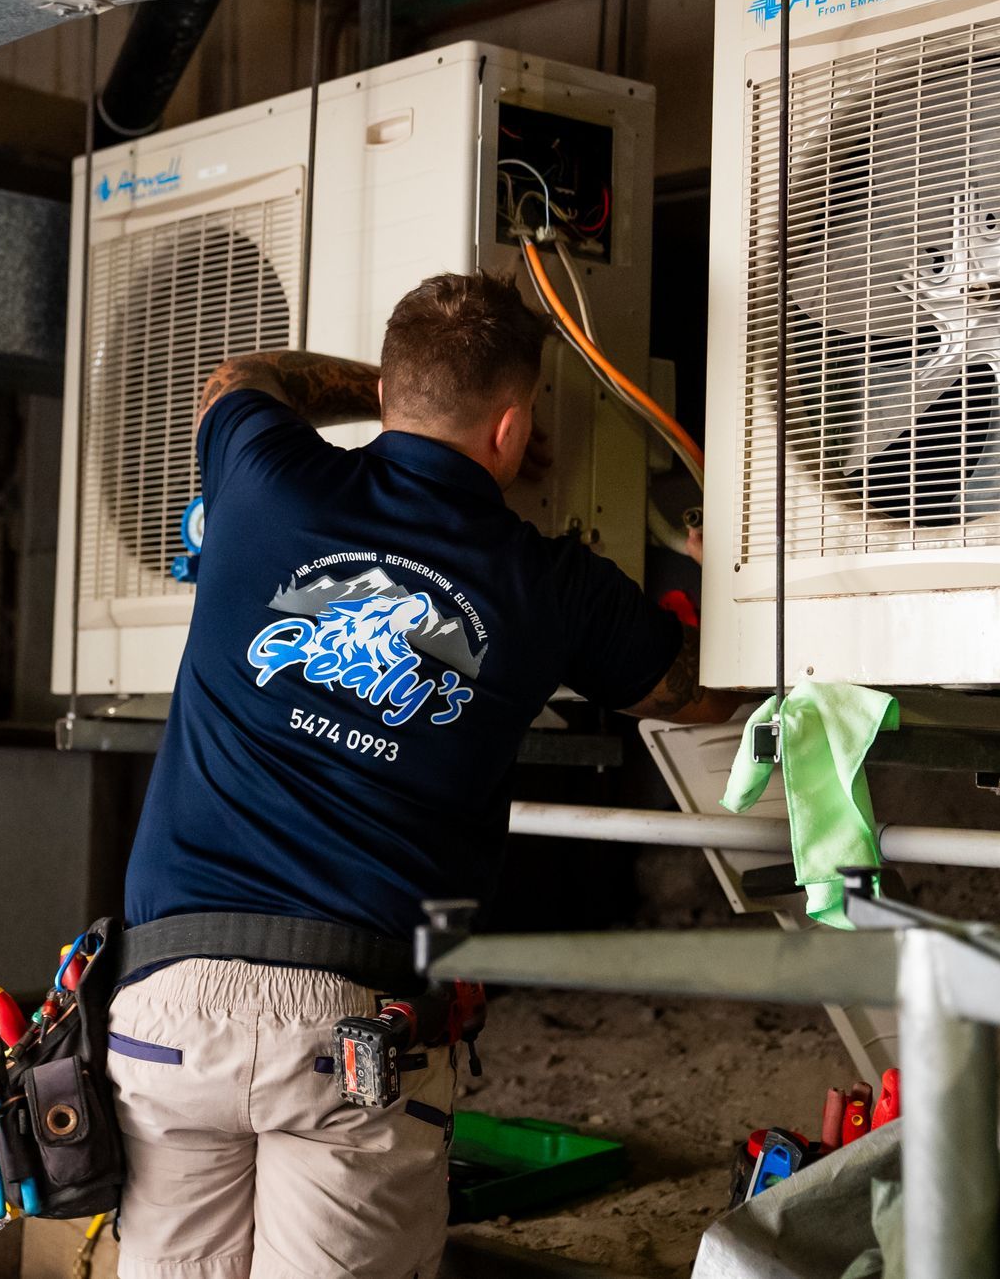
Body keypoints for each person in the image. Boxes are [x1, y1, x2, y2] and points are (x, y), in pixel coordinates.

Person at [105, 271, 744, 1279]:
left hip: (168, 1007)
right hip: (352, 1023)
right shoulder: (546, 586)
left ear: (397, 390)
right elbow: (698, 694)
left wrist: (390, 390)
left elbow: (244, 373)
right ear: (511, 429)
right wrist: (722, 568)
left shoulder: (266, 479)